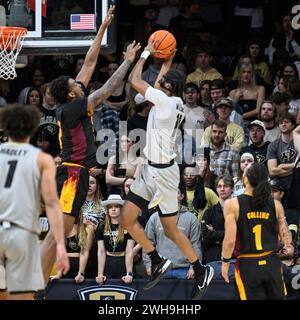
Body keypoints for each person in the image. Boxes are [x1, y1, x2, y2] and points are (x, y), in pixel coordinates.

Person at [40, 5, 141, 284]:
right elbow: (108, 88)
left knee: (59, 232)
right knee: (57, 233)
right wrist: (128, 61)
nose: (79, 81)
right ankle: (33, 283)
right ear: (71, 92)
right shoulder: (71, 108)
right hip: (72, 175)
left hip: (77, 172)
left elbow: (88, 63)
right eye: (75, 82)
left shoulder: (72, 99)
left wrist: (102, 28)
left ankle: (40, 283)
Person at [121, 41, 214, 300]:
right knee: (127, 219)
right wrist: (167, 57)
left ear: (169, 87)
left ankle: (200, 269)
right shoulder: (171, 100)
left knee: (171, 230)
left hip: (164, 174)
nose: (157, 81)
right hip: (151, 170)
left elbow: (134, 79)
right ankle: (156, 259)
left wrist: (146, 52)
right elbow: (161, 78)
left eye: (162, 81)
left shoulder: (163, 100)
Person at [0, 104, 69, 300]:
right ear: (32, 129)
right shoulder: (42, 158)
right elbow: (52, 203)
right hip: (21, 235)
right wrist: (60, 245)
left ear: (5, 128)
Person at [221, 163, 292, 300]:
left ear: (245, 179)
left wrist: (225, 263)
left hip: (248, 264)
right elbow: (285, 235)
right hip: (271, 262)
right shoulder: (276, 204)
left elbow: (229, 240)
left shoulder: (232, 204)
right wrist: (287, 246)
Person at [95, 194, 135, 284]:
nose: (113, 209)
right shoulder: (101, 226)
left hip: (123, 261)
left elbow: (129, 251)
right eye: (110, 207)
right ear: (107, 210)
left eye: (116, 206)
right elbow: (101, 251)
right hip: (108, 262)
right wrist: (100, 273)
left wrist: (129, 273)